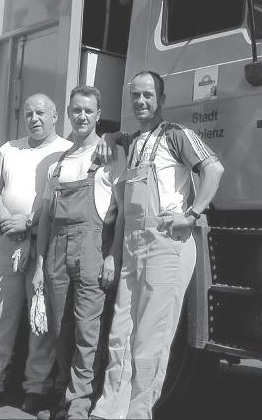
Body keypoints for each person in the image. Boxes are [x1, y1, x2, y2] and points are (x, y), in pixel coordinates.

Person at [91, 71, 224, 419]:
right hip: (134, 244)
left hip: (167, 243)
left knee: (151, 340)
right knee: (120, 335)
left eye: (148, 95)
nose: (141, 101)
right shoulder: (132, 142)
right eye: (136, 95)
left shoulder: (177, 135)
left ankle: (138, 413)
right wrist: (108, 134)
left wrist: (192, 214)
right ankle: (109, 411)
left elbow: (214, 170)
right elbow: (113, 142)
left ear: (161, 99)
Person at [0, 93, 72, 414]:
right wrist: (8, 220)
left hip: (44, 244)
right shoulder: (9, 150)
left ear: (55, 116)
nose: (34, 118)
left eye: (41, 113)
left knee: (40, 319)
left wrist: (30, 223)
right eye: (28, 113)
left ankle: (36, 389)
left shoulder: (66, 151)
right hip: (9, 241)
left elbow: (61, 200)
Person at [33, 86, 126, 419]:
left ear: (98, 115)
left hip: (92, 248)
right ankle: (64, 399)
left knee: (88, 330)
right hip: (56, 251)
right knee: (61, 330)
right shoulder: (58, 164)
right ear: (68, 113)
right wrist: (40, 265)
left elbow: (122, 213)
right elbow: (46, 218)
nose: (82, 116)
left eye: (88, 111)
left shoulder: (110, 155)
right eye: (76, 110)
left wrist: (113, 255)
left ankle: (79, 405)